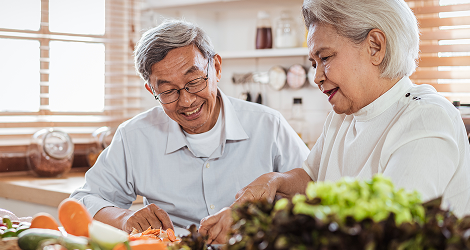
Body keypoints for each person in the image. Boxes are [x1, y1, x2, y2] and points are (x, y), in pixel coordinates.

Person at [199, 0, 470, 243]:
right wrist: (275, 181)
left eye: (325, 58)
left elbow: (386, 230)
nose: (317, 76)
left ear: (375, 46)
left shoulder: (425, 118)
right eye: (314, 62)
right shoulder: (343, 116)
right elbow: (312, 180)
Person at [70, 19, 310, 233]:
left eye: (194, 81)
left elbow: (314, 188)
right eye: (167, 91)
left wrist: (259, 214)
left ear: (215, 68)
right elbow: (83, 200)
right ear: (151, 91)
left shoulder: (268, 124)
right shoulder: (135, 136)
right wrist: (124, 218)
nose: (186, 101)